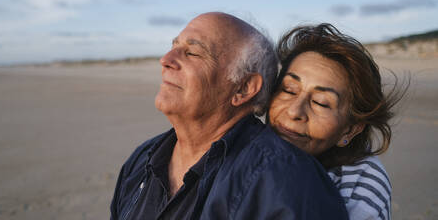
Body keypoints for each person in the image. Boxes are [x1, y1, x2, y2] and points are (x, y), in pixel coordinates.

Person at [110, 12, 348, 219]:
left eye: (192, 53)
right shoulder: (142, 159)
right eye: (174, 46)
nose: (166, 60)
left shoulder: (289, 183)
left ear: (243, 88)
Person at [268, 23, 405, 220]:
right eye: (288, 89)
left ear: (350, 130)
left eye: (321, 103)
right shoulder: (236, 142)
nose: (294, 111)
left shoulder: (361, 183)